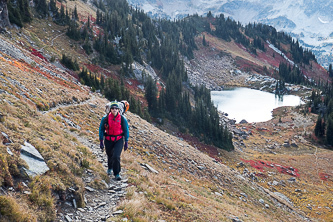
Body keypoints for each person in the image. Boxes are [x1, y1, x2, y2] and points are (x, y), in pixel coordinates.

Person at [99, 101, 129, 180]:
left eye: (116, 108)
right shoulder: (105, 118)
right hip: (108, 139)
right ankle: (109, 168)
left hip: (119, 139)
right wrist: (101, 141)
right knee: (110, 155)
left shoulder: (122, 118)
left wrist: (126, 141)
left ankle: (117, 173)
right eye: (113, 108)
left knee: (116, 156)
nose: (114, 109)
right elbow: (101, 129)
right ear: (110, 109)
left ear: (119, 109)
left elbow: (126, 130)